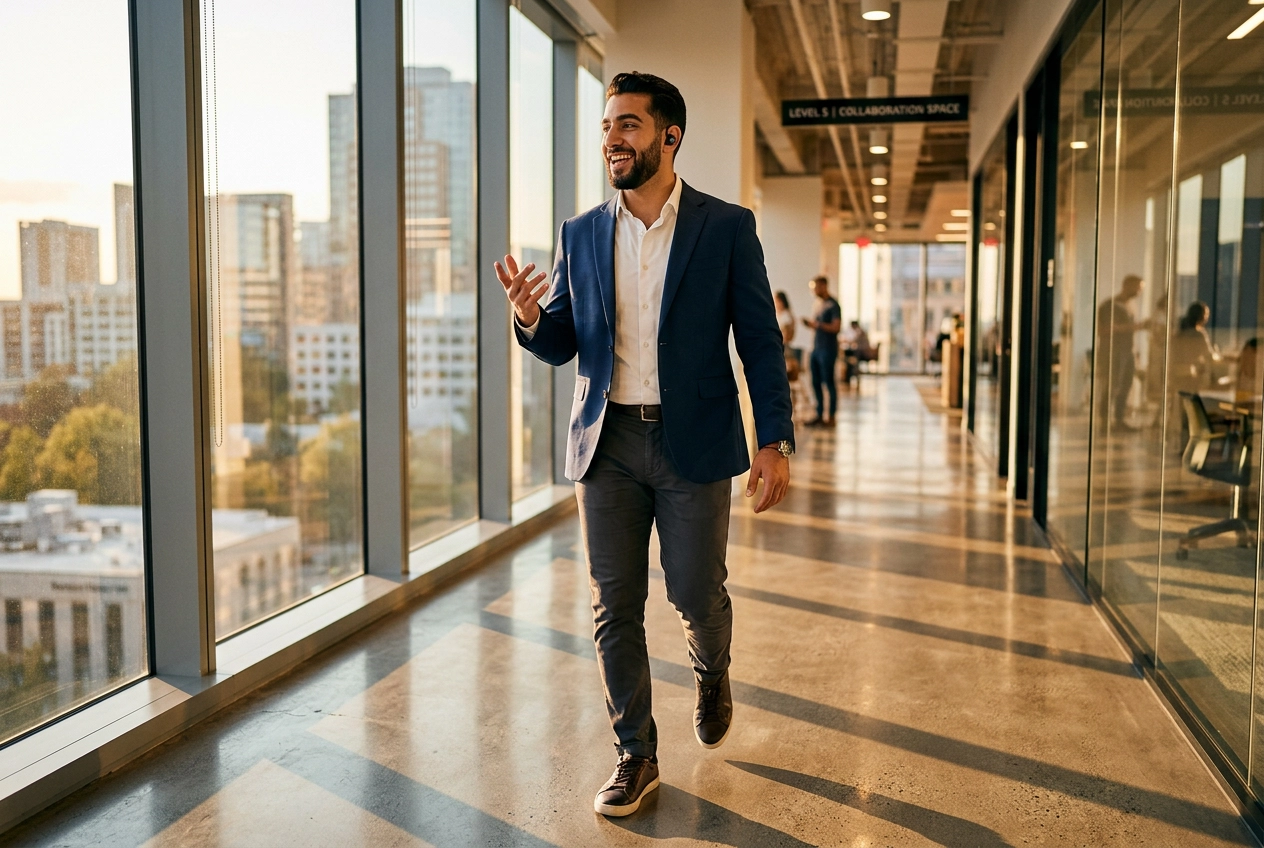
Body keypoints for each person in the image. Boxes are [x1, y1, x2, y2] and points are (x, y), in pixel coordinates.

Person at [496, 71, 794, 818]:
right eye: (605, 126)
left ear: (669, 135)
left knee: (696, 591)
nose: (611, 139)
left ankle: (712, 668)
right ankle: (636, 754)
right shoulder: (581, 232)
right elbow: (565, 339)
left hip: (694, 440)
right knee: (613, 607)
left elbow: (758, 339)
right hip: (608, 444)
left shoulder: (725, 227)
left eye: (626, 124)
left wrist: (774, 440)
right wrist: (533, 317)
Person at [1095, 274, 1145, 429]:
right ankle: (1104, 421)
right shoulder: (1109, 306)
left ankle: (1119, 419)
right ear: (1127, 285)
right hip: (1113, 352)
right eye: (1137, 288)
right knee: (1112, 386)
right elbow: (1104, 329)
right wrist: (1134, 327)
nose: (1139, 292)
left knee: (1126, 385)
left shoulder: (1130, 305)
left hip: (1127, 352)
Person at [801, 276, 841, 426]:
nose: (814, 291)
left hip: (828, 350)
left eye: (816, 287)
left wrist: (817, 325)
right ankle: (819, 413)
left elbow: (836, 327)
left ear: (824, 286)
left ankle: (831, 416)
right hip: (816, 349)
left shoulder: (833, 305)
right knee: (815, 382)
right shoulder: (819, 304)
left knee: (829, 383)